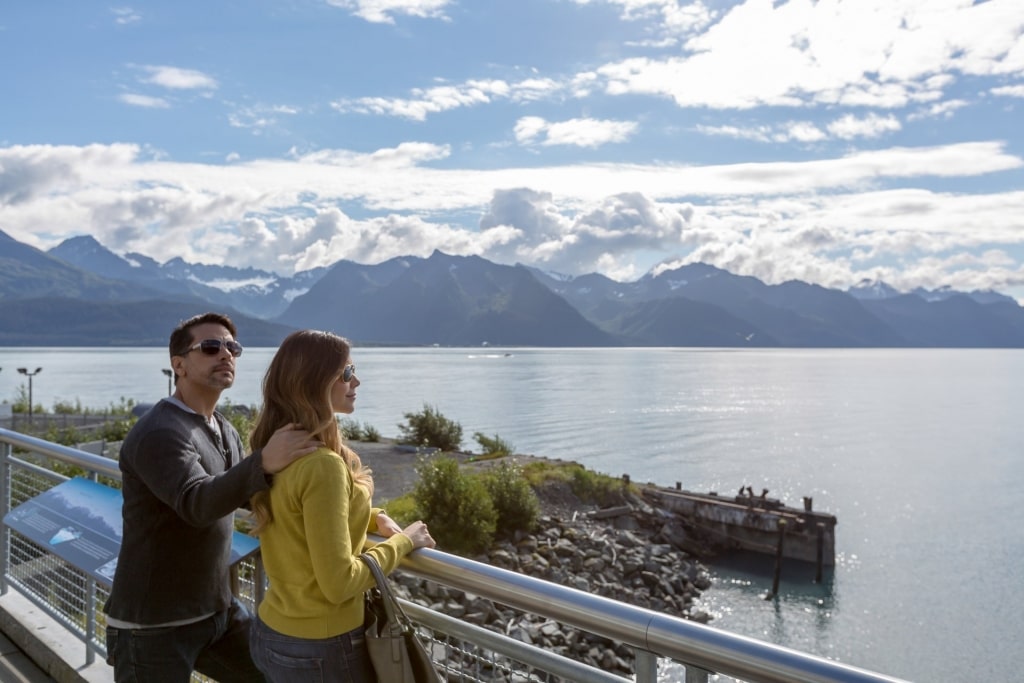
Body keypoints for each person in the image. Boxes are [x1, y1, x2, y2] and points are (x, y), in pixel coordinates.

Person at [103, 312, 320, 683]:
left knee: (278, 676)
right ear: (179, 365)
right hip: (153, 625)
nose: (226, 354)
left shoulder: (223, 427)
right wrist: (264, 459)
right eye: (210, 347)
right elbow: (198, 503)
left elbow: (251, 494)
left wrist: (349, 510)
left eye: (232, 347)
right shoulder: (160, 432)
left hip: (217, 611)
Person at [247, 329, 435, 682]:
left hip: (273, 630)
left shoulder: (279, 447)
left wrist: (373, 516)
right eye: (346, 373)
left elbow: (301, 516)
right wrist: (405, 542)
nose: (357, 381)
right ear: (315, 382)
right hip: (320, 647)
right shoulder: (322, 464)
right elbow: (339, 583)